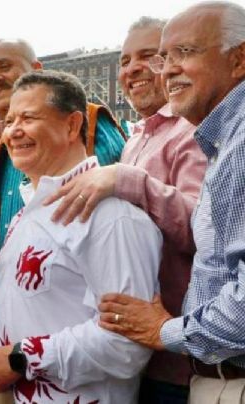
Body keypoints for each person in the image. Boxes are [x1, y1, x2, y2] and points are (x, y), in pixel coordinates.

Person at [41, 16, 207, 403]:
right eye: (125, 60)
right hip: (135, 352)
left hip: (180, 363)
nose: (132, 69)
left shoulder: (192, 131)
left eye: (148, 56)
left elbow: (203, 231)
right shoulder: (139, 140)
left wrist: (124, 180)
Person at [0, 70, 161, 403]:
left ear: (72, 125)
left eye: (28, 118)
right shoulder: (24, 215)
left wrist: (23, 358)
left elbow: (127, 345)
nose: (13, 131)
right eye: (9, 121)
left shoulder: (111, 217)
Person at [97, 3, 245, 402]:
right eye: (165, 57)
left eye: (186, 52)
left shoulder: (231, 138)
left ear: (240, 60)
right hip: (187, 367)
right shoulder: (217, 136)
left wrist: (166, 331)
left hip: (213, 372)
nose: (165, 69)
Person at [0, 39, 127, 257]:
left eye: (4, 67)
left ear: (37, 70)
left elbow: (112, 208)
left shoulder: (88, 119)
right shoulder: (3, 147)